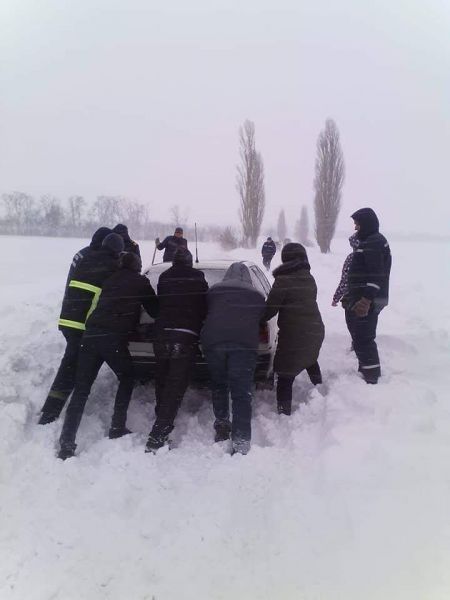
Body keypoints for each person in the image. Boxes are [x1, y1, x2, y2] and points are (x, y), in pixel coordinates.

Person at [57, 252, 158, 459]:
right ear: (137, 266)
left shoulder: (109, 279)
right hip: (113, 339)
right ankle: (117, 427)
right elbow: (155, 310)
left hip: (91, 335)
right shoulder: (140, 282)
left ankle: (66, 443)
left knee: (81, 389)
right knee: (127, 376)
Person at [39, 232, 124, 425]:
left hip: (68, 320)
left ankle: (50, 409)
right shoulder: (112, 267)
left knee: (70, 363)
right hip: (83, 324)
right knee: (74, 367)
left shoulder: (85, 258)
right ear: (117, 251)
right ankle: (53, 415)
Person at [145, 248, 208, 452]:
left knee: (162, 379)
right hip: (185, 335)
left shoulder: (164, 276)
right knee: (175, 385)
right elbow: (204, 305)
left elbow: (162, 303)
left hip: (161, 334)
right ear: (190, 262)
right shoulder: (198, 277)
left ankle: (161, 415)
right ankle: (158, 435)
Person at [201, 263, 265, 455]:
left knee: (219, 384)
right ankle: (241, 441)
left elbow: (207, 313)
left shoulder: (213, 292)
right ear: (247, 278)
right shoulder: (257, 296)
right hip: (243, 347)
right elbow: (261, 317)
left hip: (214, 344)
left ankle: (222, 425)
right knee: (241, 393)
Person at [263, 243, 324, 416]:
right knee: (310, 357)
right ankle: (320, 389)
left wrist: (254, 318)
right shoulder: (308, 277)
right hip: (315, 329)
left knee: (284, 373)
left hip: (295, 334)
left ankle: (284, 413)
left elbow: (270, 309)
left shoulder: (283, 281)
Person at [343, 208, 391, 384]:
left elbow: (376, 274)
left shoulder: (374, 242)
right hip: (366, 298)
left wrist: (365, 300)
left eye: (357, 224)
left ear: (366, 223)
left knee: (364, 337)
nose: (355, 228)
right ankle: (365, 370)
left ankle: (371, 378)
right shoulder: (372, 241)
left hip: (369, 300)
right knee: (361, 336)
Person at [331, 233, 359, 306]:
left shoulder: (352, 258)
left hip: (353, 300)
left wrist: (336, 298)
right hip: (370, 301)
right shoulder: (373, 258)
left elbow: (345, 281)